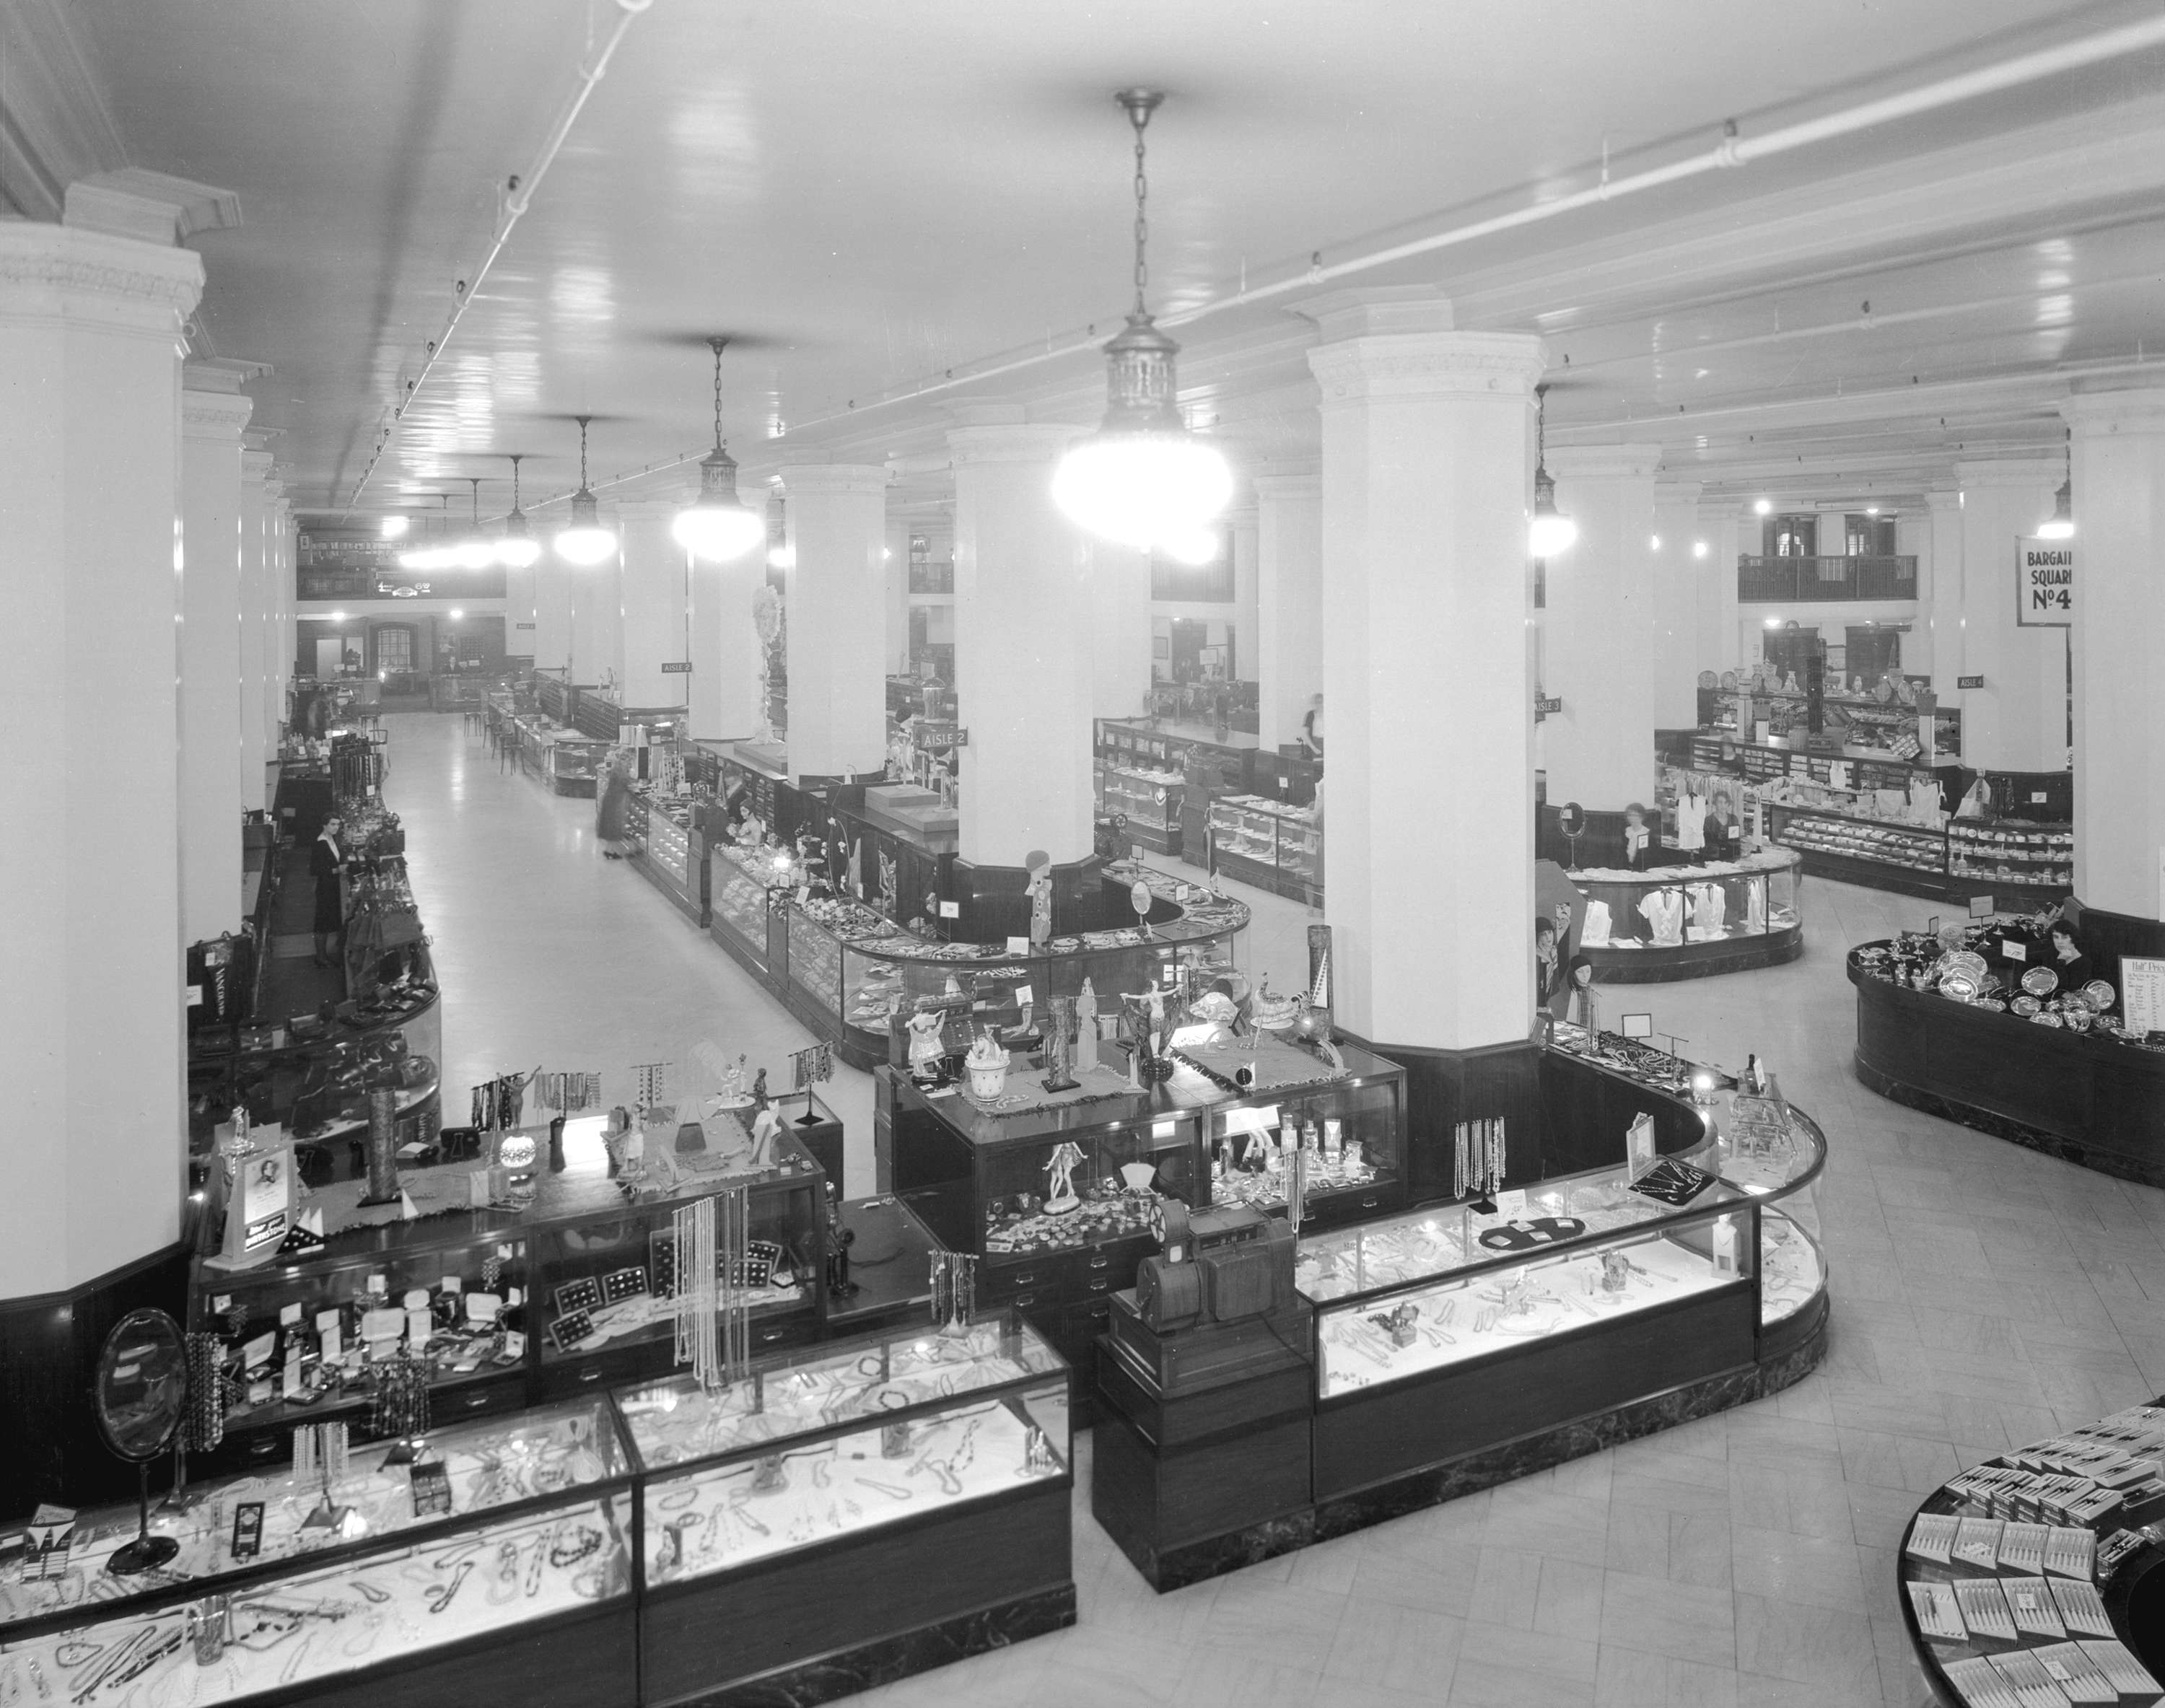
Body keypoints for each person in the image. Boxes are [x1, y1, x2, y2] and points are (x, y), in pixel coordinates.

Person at [310, 817, 344, 967]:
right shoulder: (321, 844)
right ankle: (321, 957)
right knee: (322, 922)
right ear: (324, 825)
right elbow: (314, 870)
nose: (336, 827)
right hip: (325, 888)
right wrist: (337, 870)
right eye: (332, 824)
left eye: (337, 825)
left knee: (330, 920)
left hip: (333, 886)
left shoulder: (332, 839)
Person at [596, 757, 631, 860]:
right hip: (615, 802)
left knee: (611, 827)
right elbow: (625, 782)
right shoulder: (620, 772)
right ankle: (611, 851)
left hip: (611, 800)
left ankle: (610, 851)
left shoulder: (616, 770)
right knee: (614, 827)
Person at [2047, 921, 2093, 991]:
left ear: (2073, 938)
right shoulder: (2052, 954)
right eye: (2056, 937)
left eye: (2064, 937)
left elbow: (2067, 990)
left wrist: (2061, 962)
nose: (2060, 942)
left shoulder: (2084, 962)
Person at [1298, 693, 1324, 760]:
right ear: (1315, 703)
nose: (1320, 704)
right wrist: (1314, 748)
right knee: (1318, 768)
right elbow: (1305, 734)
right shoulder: (1311, 714)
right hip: (1316, 744)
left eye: (1322, 702)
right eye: (1318, 702)